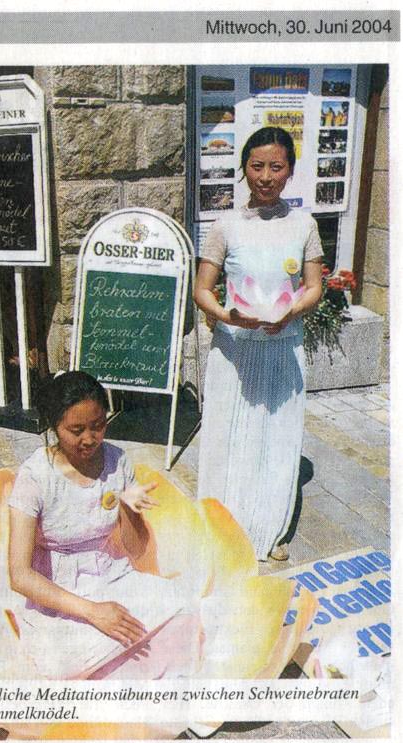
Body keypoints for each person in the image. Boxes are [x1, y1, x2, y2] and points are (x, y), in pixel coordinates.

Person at [8, 371, 199, 679]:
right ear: (54, 426)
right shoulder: (35, 477)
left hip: (113, 575)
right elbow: (19, 576)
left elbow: (136, 551)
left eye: (98, 426)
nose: (90, 439)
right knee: (65, 664)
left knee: (185, 606)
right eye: (76, 430)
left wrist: (128, 509)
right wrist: (94, 612)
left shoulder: (117, 460)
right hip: (61, 595)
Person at [194, 127, 323, 562]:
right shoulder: (225, 225)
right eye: (257, 166)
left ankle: (270, 530)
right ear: (244, 169)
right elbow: (202, 290)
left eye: (276, 167)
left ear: (290, 171)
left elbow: (313, 287)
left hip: (282, 349)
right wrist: (225, 315)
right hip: (235, 351)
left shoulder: (304, 225)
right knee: (227, 437)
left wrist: (291, 311)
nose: (266, 177)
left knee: (276, 439)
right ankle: (221, 526)